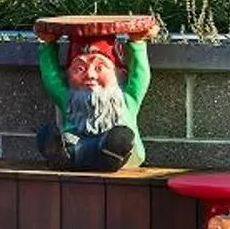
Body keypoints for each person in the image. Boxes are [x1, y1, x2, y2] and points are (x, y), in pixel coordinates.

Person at [35, 31, 149, 171]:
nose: (90, 75)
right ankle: (63, 156)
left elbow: (140, 76)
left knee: (120, 138)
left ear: (120, 73)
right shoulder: (70, 100)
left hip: (116, 151)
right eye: (80, 69)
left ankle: (113, 155)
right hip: (76, 148)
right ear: (68, 75)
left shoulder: (125, 99)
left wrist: (137, 43)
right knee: (49, 136)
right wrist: (48, 45)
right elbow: (51, 79)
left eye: (99, 68)